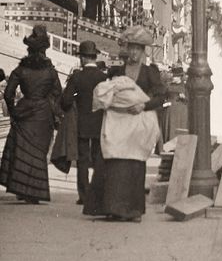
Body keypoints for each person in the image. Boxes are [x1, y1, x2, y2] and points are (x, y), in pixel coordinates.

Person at [84, 25, 166, 222]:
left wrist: (143, 106)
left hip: (137, 125)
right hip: (117, 124)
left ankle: (131, 211)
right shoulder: (117, 70)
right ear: (126, 50)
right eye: (131, 48)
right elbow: (107, 91)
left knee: (134, 164)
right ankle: (111, 208)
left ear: (143, 51)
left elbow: (161, 97)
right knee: (111, 163)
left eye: (137, 49)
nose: (134, 53)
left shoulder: (149, 72)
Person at [0, 25, 62, 204]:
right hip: (43, 114)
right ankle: (36, 191)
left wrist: (13, 111)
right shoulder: (50, 71)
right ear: (44, 50)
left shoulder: (21, 70)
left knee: (23, 152)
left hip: (24, 111)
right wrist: (49, 106)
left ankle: (22, 189)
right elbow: (57, 92)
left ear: (28, 50)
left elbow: (8, 93)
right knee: (38, 153)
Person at [61, 40, 107, 206]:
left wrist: (74, 99)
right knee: (97, 159)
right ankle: (97, 194)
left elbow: (65, 101)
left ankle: (84, 195)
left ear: (82, 58)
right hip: (99, 123)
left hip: (81, 124)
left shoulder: (77, 77)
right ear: (94, 57)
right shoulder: (103, 77)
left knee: (82, 160)